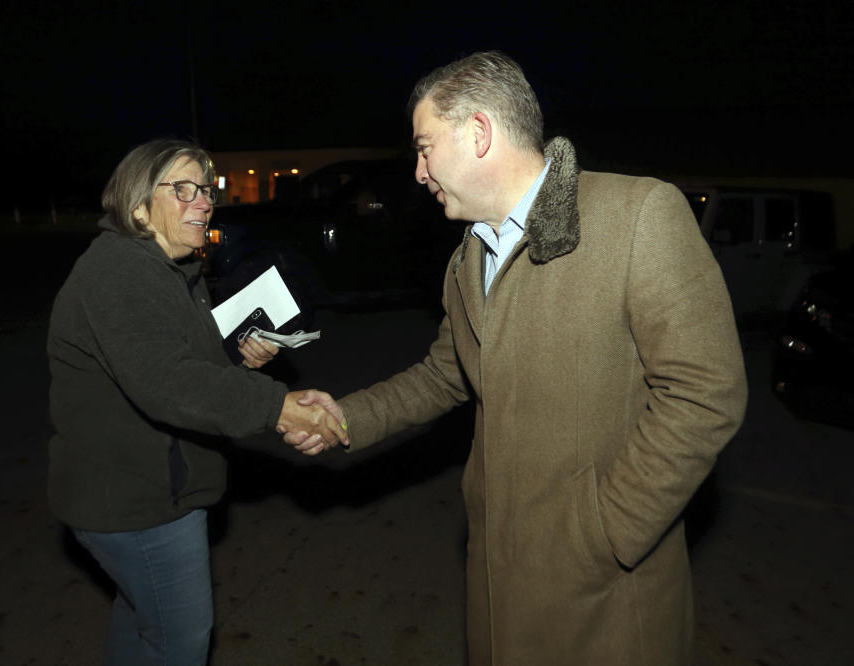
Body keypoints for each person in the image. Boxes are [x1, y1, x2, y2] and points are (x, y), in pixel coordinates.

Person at [291, 52, 747, 664]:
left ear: (478, 133)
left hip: (602, 588)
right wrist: (344, 417)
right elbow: (443, 376)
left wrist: (608, 531)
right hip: (498, 570)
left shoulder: (638, 215)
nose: (420, 173)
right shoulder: (467, 259)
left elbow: (704, 393)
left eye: (425, 148)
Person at [47, 138, 348, 666]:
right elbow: (168, 382)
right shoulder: (119, 271)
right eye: (182, 189)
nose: (203, 201)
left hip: (143, 488)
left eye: (205, 190)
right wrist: (276, 406)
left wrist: (240, 363)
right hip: (139, 502)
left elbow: (176, 367)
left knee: (143, 619)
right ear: (138, 203)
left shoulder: (171, 269)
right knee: (180, 639)